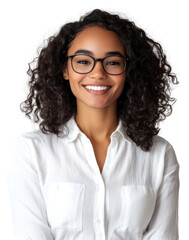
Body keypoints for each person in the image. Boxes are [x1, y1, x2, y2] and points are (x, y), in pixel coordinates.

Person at [8, 9, 180, 240]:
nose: (97, 73)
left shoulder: (160, 154)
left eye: (112, 62)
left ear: (128, 72)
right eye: (83, 61)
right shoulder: (32, 152)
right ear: (65, 69)